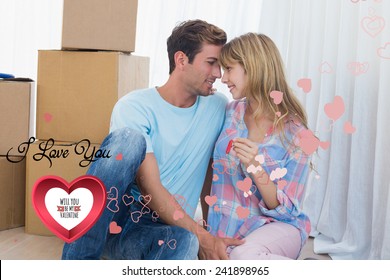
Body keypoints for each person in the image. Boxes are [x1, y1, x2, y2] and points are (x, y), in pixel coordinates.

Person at [62, 19, 244, 260]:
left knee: (185, 243)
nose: (218, 74)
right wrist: (204, 237)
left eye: (220, 66)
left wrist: (209, 235)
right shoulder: (134, 106)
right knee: (128, 140)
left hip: (157, 231)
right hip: (122, 219)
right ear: (181, 60)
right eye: (210, 63)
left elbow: (213, 172)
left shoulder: (218, 107)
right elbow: (150, 188)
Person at [207, 33, 312, 260]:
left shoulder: (297, 135)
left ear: (252, 68)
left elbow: (286, 209)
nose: (223, 78)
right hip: (228, 225)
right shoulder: (229, 112)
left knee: (243, 257)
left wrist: (256, 167)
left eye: (229, 69)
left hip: (276, 227)